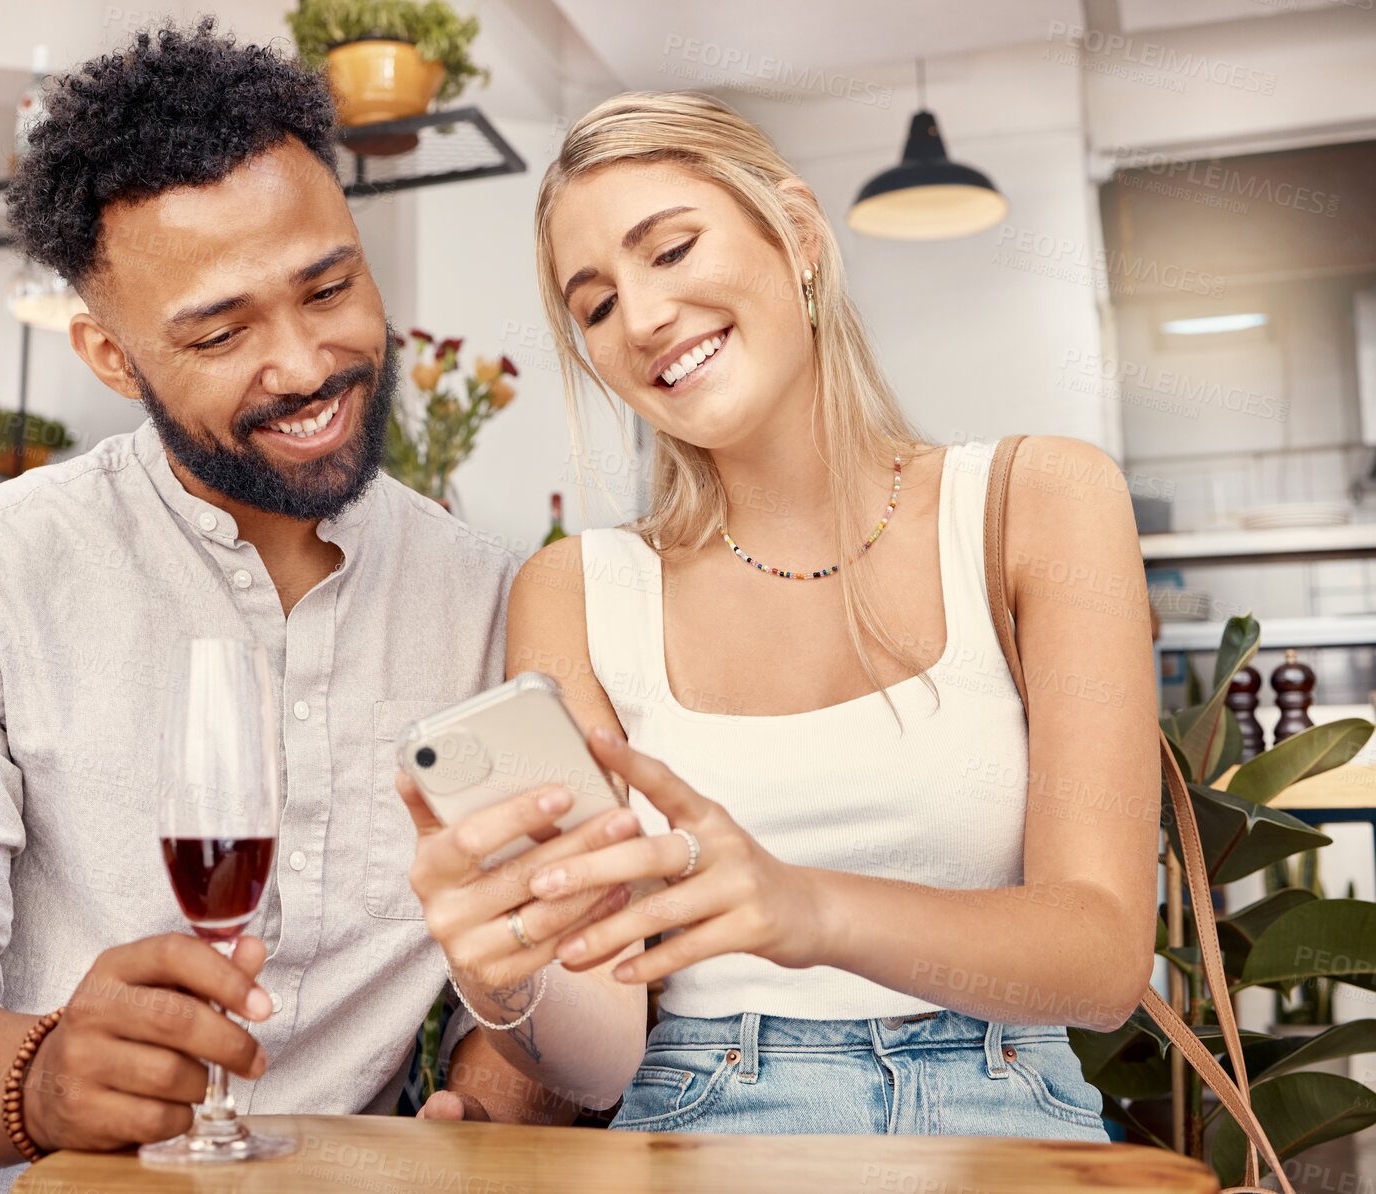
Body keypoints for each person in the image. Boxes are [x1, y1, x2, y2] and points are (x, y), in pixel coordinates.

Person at [0, 22, 557, 1190]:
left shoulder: (490, 599)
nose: (302, 364)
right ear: (110, 356)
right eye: (221, 331)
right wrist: (38, 1080)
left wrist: (497, 1090)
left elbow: (535, 969)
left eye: (329, 286)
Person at [402, 91, 1160, 1139]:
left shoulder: (1039, 503)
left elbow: (1104, 956)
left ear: (797, 234)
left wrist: (805, 909)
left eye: (668, 250)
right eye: (598, 306)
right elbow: (602, 1047)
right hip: (700, 1110)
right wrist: (505, 982)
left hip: (1007, 1109)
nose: (646, 317)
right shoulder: (577, 592)